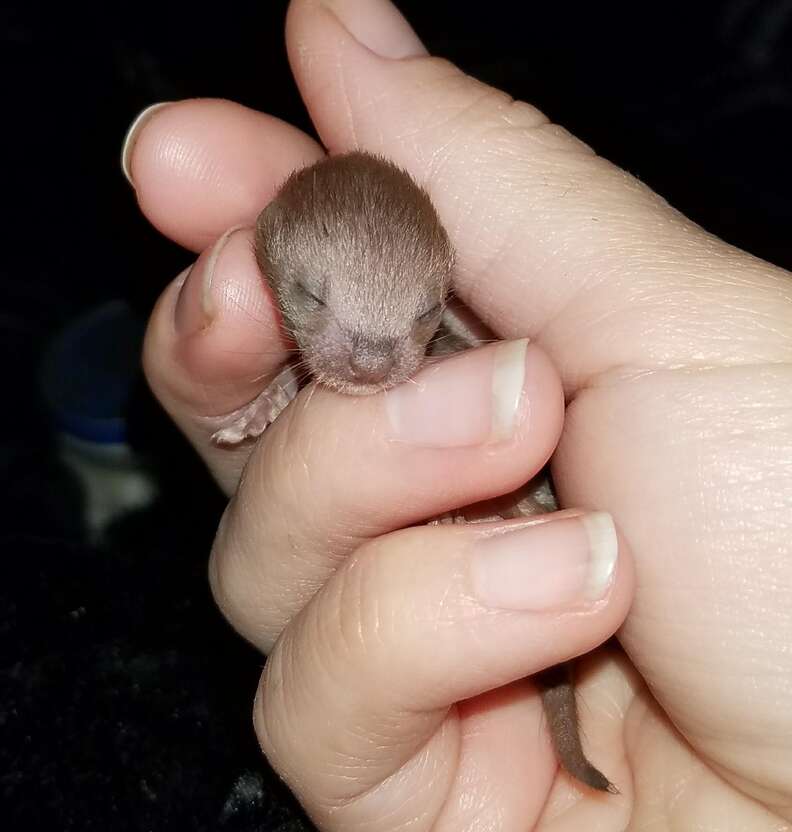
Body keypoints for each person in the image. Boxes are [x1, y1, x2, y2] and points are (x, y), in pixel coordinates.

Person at [122, 0, 792, 827]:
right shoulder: (289, 317)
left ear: (441, 292)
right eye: (315, 303)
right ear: (272, 260)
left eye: (412, 319)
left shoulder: (473, 342)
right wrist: (276, 392)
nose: (371, 358)